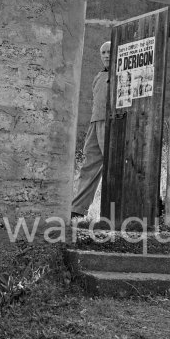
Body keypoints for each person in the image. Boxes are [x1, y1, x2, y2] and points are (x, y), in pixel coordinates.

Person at [71, 41, 111, 218]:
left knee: (113, 168)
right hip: (95, 124)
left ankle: (114, 213)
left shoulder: (120, 74)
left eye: (110, 51)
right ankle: (77, 209)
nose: (106, 55)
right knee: (88, 166)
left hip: (110, 123)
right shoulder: (98, 76)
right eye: (103, 52)